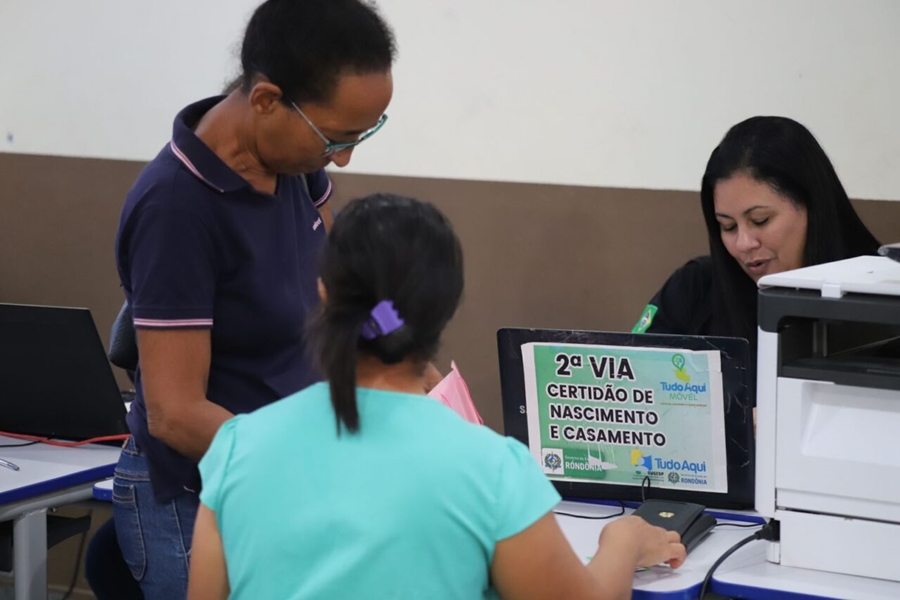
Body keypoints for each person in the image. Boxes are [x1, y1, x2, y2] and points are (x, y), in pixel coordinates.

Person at [187, 194, 686, 600]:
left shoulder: (238, 445)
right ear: (445, 309)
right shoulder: (490, 468)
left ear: (322, 293)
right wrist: (622, 541)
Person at [107, 1, 396, 598]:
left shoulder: (292, 162)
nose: (343, 158)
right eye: (337, 138)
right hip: (201, 505)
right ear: (266, 101)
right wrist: (312, 460)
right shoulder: (176, 209)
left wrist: (405, 350)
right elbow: (176, 413)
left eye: (364, 133)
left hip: (284, 484)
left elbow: (350, 287)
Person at [633, 116, 880, 348]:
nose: (744, 243)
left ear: (813, 207)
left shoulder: (880, 293)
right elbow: (631, 374)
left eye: (760, 220)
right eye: (728, 226)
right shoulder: (694, 288)